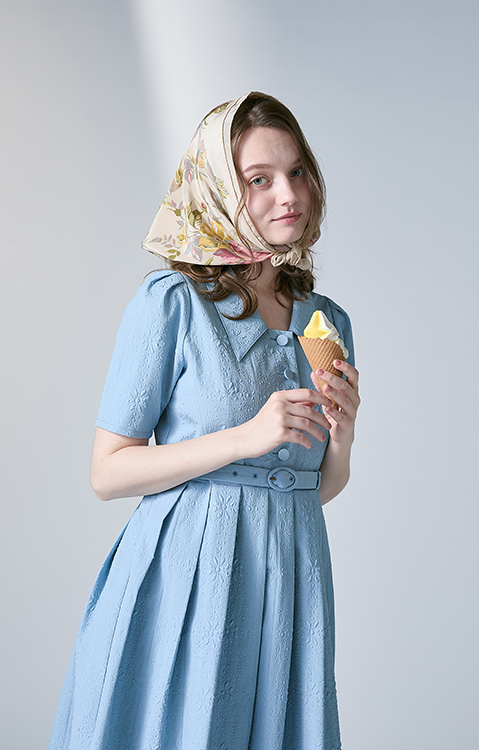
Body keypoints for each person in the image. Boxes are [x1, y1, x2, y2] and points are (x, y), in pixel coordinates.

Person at [49, 92, 360, 750]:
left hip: (294, 575)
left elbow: (317, 486)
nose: (288, 194)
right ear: (217, 189)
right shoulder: (172, 303)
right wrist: (245, 437)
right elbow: (108, 472)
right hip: (191, 576)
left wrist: (344, 435)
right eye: (258, 179)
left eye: (296, 172)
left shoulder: (326, 321)